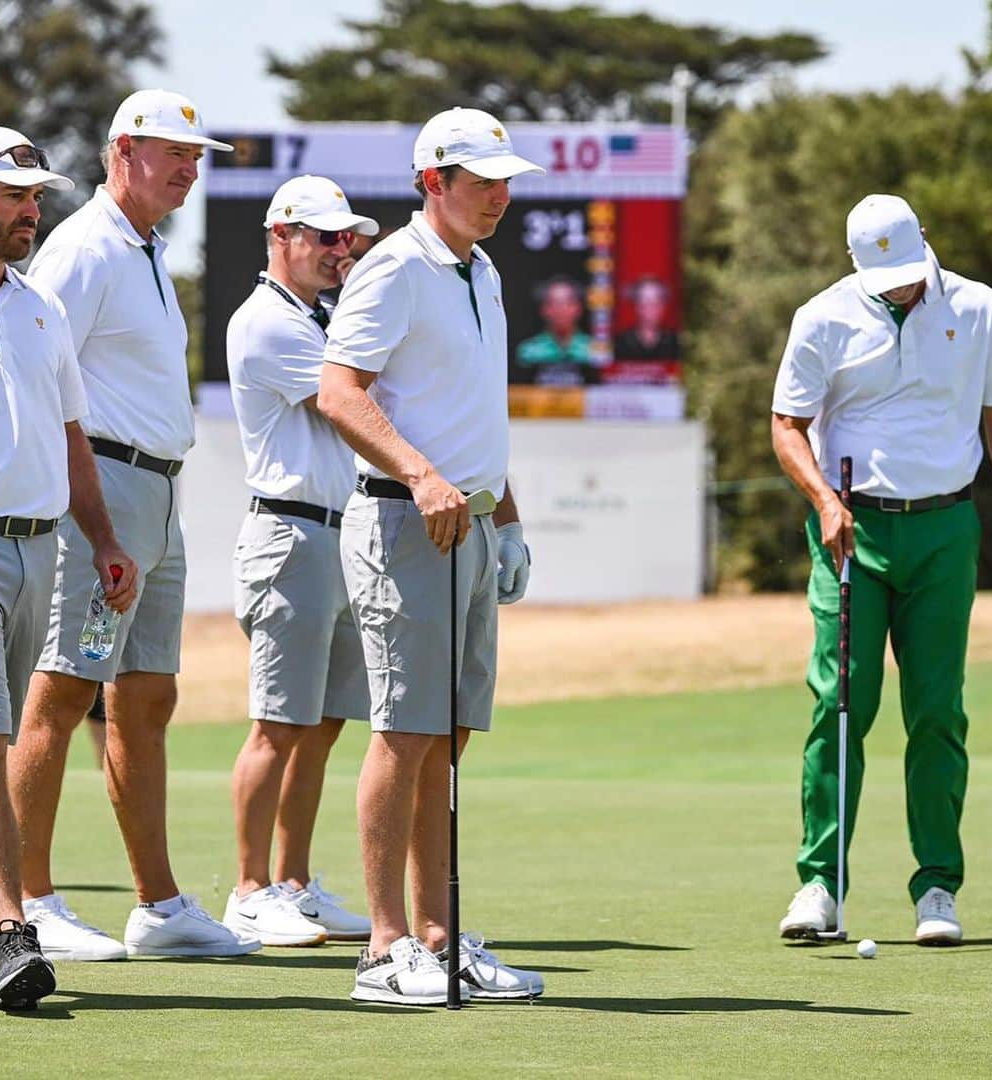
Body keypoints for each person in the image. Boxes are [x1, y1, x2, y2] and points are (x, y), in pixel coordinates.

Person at [5, 90, 258, 961]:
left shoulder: (144, 248)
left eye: (197, 154)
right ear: (123, 151)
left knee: (146, 698)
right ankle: (29, 904)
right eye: (172, 151)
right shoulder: (83, 247)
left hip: (155, 495)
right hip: (98, 494)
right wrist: (84, 512)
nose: (190, 167)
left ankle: (157, 906)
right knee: (64, 688)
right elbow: (31, 367)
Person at [319, 106, 545, 1005]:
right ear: (432, 184)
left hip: (473, 526)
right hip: (404, 525)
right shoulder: (394, 269)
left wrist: (510, 515)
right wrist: (420, 475)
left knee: (444, 738)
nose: (498, 196)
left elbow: (473, 416)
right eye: (481, 181)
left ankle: (439, 937)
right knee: (404, 732)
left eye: (505, 181)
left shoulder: (481, 271)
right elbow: (339, 392)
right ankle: (383, 949)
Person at [771, 193, 992, 945]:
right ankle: (820, 884)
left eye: (911, 271)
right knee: (839, 707)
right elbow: (787, 424)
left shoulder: (977, 308)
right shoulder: (822, 316)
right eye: (888, 278)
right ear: (857, 265)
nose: (904, 287)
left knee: (938, 713)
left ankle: (938, 888)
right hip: (852, 531)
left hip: (947, 528)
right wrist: (822, 497)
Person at [0, 124, 137, 1006]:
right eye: (14, 196)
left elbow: (73, 441)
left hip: (38, 551)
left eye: (37, 198)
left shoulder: (38, 306)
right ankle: (15, 932)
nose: (33, 212)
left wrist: (102, 539)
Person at [221, 175, 378, 946]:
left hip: (334, 536)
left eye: (346, 239)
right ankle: (249, 891)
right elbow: (354, 398)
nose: (339, 251)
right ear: (280, 235)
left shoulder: (315, 316)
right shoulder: (270, 323)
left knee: (321, 723)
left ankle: (294, 883)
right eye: (323, 237)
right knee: (277, 726)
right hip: (290, 536)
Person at [512, 276, 598, 386]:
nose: (560, 309)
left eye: (568, 303)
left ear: (578, 308)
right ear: (544, 309)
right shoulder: (528, 350)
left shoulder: (595, 350)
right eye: (553, 303)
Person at [613, 276, 682, 376]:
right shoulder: (619, 344)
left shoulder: (675, 342)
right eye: (645, 302)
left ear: (663, 307)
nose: (651, 308)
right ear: (637, 307)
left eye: (657, 301)